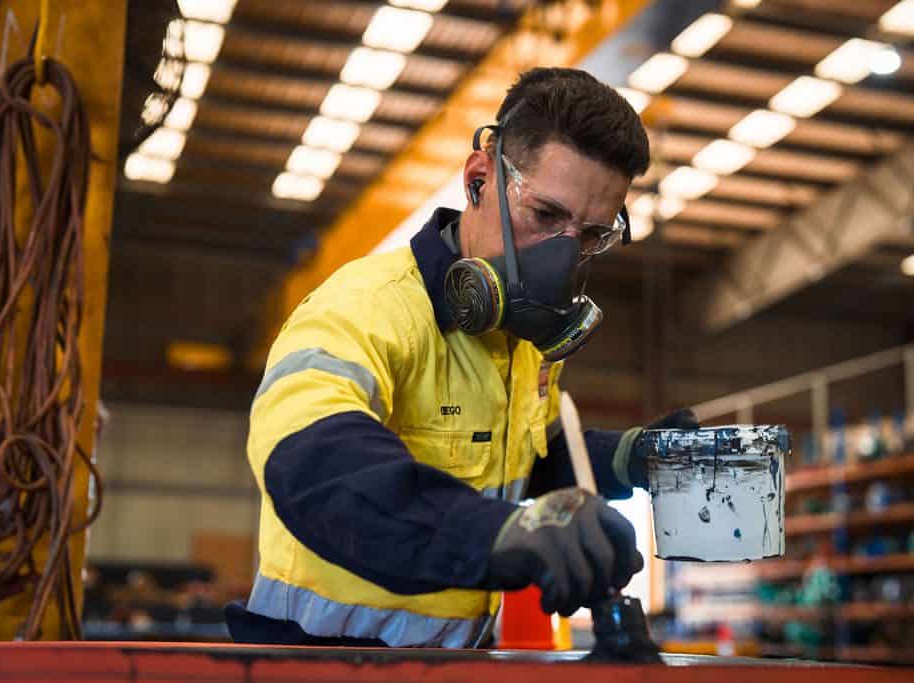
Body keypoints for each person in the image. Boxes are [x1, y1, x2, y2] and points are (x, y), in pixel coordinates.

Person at [225, 67, 698, 648]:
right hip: (320, 661)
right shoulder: (364, 309)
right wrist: (499, 536)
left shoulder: (526, 343)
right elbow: (315, 466)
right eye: (545, 216)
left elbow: (525, 466)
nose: (563, 256)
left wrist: (624, 460)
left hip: (454, 663)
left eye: (590, 235)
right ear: (480, 180)